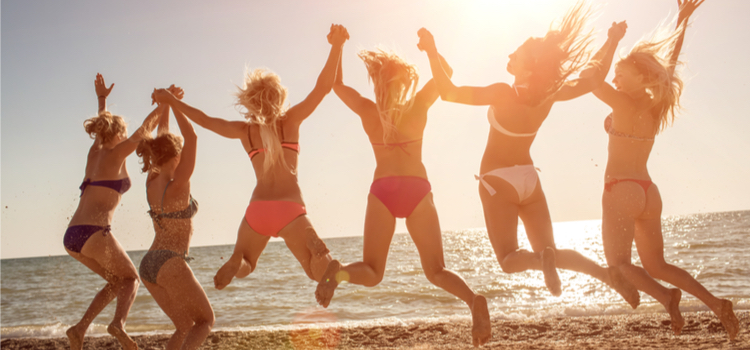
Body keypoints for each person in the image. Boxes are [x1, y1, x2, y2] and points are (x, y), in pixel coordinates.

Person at [417, 3, 640, 308]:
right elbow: (593, 78)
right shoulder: (551, 93)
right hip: (529, 180)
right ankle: (605, 275)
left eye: (516, 54)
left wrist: (431, 51)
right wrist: (612, 40)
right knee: (552, 251)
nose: (509, 56)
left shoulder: (502, 93)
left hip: (498, 181)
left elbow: (448, 92)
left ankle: (542, 261)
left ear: (531, 65)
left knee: (509, 260)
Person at [314, 40, 492, 347]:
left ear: (377, 82)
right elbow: (445, 73)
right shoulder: (418, 104)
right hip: (417, 189)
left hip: (383, 190)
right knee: (436, 270)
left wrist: (338, 46)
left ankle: (339, 272)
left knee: (372, 271)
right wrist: (431, 49)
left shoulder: (368, 110)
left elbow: (336, 84)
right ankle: (472, 300)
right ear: (404, 82)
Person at [151, 24, 348, 292]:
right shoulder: (289, 122)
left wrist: (172, 101)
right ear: (279, 97)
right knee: (316, 270)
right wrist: (337, 45)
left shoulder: (245, 132)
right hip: (291, 210)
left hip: (258, 210)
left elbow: (205, 120)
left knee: (248, 262)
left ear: (250, 101)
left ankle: (236, 262)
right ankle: (326, 263)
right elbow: (323, 88)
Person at [588, 0, 738, 338]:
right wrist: (682, 23)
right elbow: (669, 65)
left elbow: (592, 80)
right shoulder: (658, 103)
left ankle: (666, 296)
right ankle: (716, 304)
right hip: (647, 192)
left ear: (641, 76)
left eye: (621, 74)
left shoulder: (622, 101)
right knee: (658, 265)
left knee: (619, 264)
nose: (615, 78)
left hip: (620, 189)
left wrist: (611, 41)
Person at [64, 73, 163, 350]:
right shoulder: (117, 153)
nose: (124, 135)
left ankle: (79, 328)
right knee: (131, 279)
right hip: (94, 232)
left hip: (72, 236)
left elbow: (101, 129)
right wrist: (164, 104)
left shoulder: (94, 152)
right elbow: (144, 129)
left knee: (116, 283)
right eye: (122, 131)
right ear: (118, 133)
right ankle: (119, 324)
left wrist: (102, 99)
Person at [136, 85, 214, 349]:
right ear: (177, 155)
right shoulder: (179, 184)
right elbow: (191, 136)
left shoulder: (152, 180)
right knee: (205, 321)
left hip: (148, 265)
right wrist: (172, 102)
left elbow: (162, 139)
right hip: (169, 260)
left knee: (184, 327)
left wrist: (166, 105)